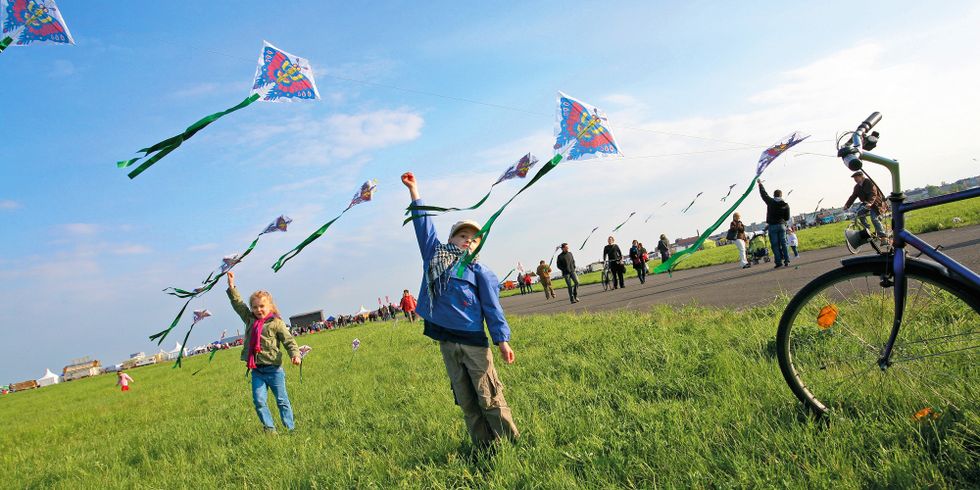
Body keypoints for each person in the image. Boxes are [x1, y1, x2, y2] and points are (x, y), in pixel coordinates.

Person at [402, 171, 519, 448]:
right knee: (466, 401)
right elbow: (423, 227)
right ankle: (483, 448)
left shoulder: (480, 272)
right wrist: (414, 191)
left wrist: (502, 341)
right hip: (447, 342)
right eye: (463, 235)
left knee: (488, 397)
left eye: (474, 238)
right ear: (452, 238)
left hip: (474, 345)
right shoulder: (435, 256)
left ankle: (510, 444)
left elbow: (493, 309)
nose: (468, 240)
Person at [226, 271, 301, 433]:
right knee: (259, 401)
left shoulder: (276, 323)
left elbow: (289, 341)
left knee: (282, 400)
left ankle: (290, 429)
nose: (258, 309)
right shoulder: (249, 319)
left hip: (274, 370)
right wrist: (231, 286)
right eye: (255, 307)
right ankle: (270, 429)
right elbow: (238, 304)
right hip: (257, 371)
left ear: (270, 306)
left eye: (262, 306)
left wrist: (295, 355)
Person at [844, 171, 887, 238]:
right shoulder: (857, 187)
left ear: (861, 176)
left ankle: (882, 235)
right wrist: (847, 205)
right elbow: (853, 196)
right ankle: (867, 230)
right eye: (854, 178)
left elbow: (873, 194)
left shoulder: (869, 182)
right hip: (866, 203)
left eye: (856, 178)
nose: (855, 180)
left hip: (876, 203)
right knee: (859, 213)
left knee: (874, 218)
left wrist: (870, 203)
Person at [758, 182, 791, 268]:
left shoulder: (770, 201)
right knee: (784, 243)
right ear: (781, 195)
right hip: (781, 225)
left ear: (774, 195)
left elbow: (763, 194)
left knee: (775, 245)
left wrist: (760, 184)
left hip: (772, 226)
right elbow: (787, 218)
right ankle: (787, 260)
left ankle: (778, 262)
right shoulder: (785, 205)